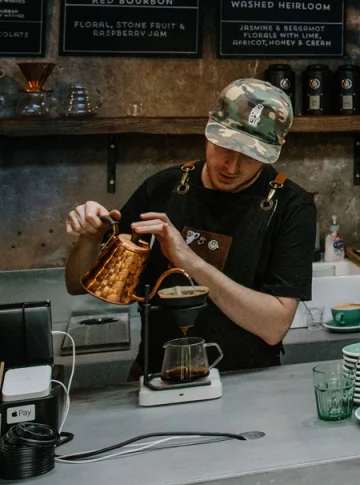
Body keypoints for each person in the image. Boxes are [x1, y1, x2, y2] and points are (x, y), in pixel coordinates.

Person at [64, 79, 316, 374]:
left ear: (278, 148)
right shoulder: (164, 188)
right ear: (209, 129)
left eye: (251, 156)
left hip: (248, 384)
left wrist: (189, 260)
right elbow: (77, 285)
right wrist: (90, 240)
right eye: (225, 146)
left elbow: (273, 327)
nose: (231, 167)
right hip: (157, 377)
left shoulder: (292, 207)